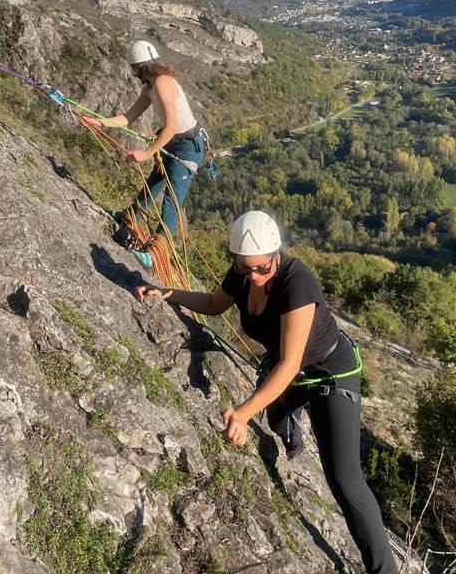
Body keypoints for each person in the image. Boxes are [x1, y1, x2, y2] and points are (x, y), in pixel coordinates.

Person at [135, 210, 398, 574]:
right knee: (276, 418)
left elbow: (289, 364)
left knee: (344, 479)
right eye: (245, 268)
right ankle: (293, 435)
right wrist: (167, 293)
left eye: (262, 267)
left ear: (276, 254)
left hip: (330, 374)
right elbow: (213, 305)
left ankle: (384, 570)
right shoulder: (242, 272)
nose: (255, 276)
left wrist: (243, 414)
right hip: (290, 373)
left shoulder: (296, 282)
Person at [84, 40, 205, 269]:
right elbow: (127, 117)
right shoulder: (150, 87)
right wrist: (99, 122)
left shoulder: (162, 83)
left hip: (187, 145)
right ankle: (130, 218)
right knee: (154, 183)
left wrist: (147, 153)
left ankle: (155, 254)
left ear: (137, 67)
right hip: (175, 142)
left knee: (172, 200)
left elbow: (171, 126)